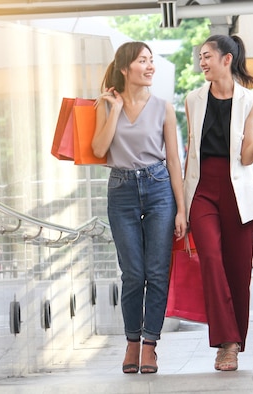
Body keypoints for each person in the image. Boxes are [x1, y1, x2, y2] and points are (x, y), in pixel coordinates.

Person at [183, 34, 253, 372]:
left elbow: (247, 157)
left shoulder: (250, 101)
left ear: (226, 59)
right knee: (211, 257)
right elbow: (190, 154)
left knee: (238, 270)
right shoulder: (192, 99)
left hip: (236, 190)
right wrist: (180, 207)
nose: (202, 62)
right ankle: (226, 344)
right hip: (202, 189)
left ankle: (235, 344)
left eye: (207, 56)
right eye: (200, 57)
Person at [91, 41, 187, 374]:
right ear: (124, 67)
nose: (150, 67)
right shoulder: (105, 105)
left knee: (157, 273)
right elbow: (99, 149)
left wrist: (181, 209)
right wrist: (115, 110)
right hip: (121, 189)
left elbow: (174, 160)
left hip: (160, 188)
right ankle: (132, 342)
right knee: (133, 273)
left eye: (151, 61)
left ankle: (150, 345)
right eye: (142, 61)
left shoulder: (163, 107)